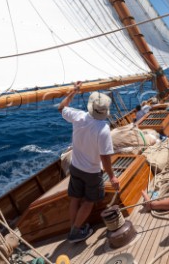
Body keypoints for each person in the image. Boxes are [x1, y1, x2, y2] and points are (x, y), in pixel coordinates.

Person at [58, 81, 120, 243]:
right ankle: (75, 232)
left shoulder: (79, 116)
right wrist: (112, 177)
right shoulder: (103, 128)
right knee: (89, 201)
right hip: (92, 173)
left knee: (75, 198)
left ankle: (75, 227)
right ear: (104, 111)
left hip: (76, 167)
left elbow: (61, 107)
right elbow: (105, 158)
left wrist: (73, 91)